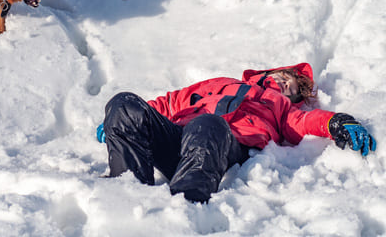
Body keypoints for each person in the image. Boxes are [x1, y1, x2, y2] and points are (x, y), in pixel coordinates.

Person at [96, 63, 376, 203]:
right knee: (123, 103)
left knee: (207, 124)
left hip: (223, 145)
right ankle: (124, 194)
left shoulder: (279, 108)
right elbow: (171, 102)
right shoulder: (222, 82)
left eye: (290, 86)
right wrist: (120, 119)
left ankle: (185, 207)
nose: (284, 82)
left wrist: (338, 121)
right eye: (284, 75)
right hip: (179, 140)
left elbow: (307, 122)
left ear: (292, 98)